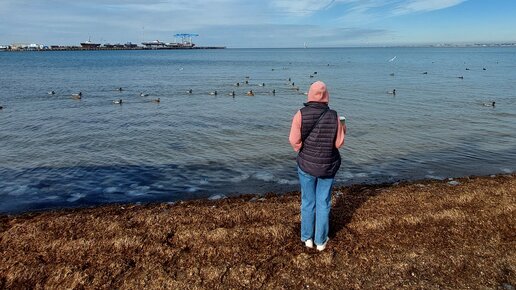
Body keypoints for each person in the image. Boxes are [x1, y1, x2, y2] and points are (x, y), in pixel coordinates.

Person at [289, 81, 346, 251]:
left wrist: (300, 148)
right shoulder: (334, 116)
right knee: (323, 203)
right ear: (326, 95)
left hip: (306, 165)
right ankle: (321, 241)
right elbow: (338, 144)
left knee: (308, 202)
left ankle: (307, 238)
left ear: (310, 94)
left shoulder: (300, 114)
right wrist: (343, 127)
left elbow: (294, 140)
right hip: (328, 166)